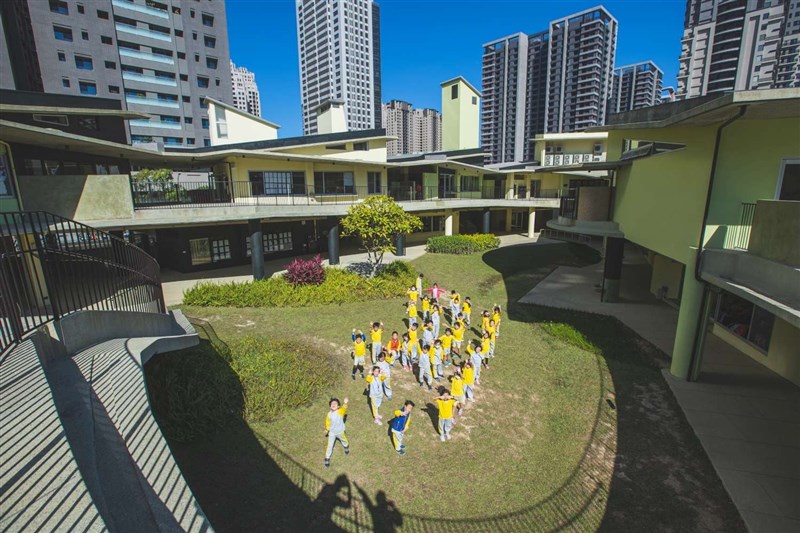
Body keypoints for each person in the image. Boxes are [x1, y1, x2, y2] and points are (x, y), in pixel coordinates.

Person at [324, 397, 349, 467]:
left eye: (335, 403)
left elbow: (344, 408)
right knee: (330, 445)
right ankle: (327, 457)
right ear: (330, 406)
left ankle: (346, 446)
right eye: (332, 403)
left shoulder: (340, 412)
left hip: (340, 431)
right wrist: (327, 429)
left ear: (338, 406)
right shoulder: (328, 414)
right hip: (332, 433)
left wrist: (345, 403)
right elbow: (327, 422)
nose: (333, 404)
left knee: (343, 439)